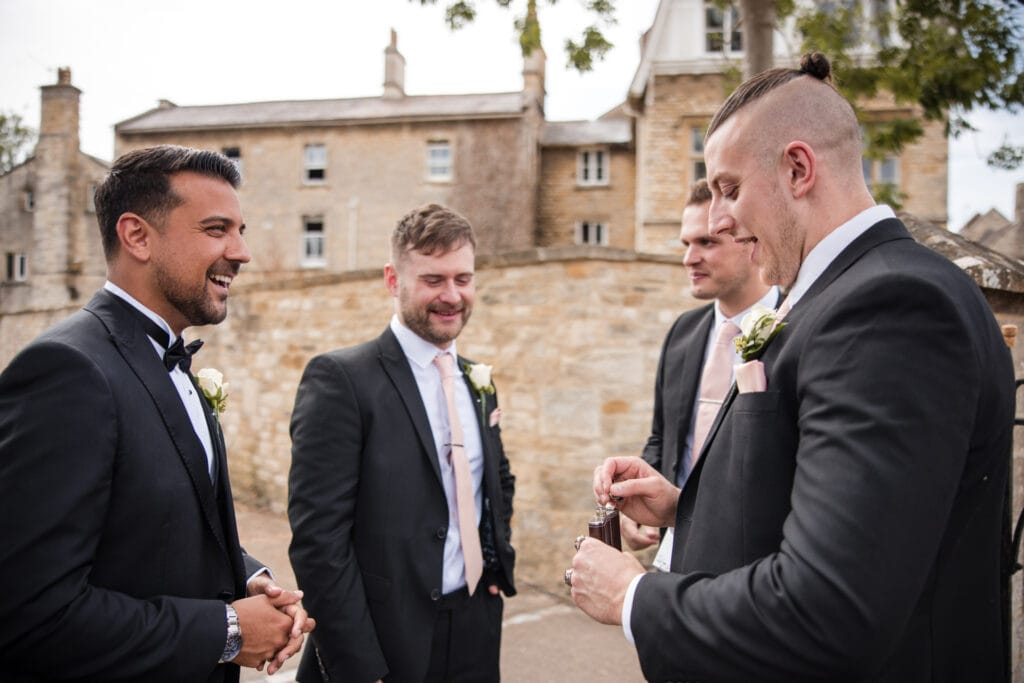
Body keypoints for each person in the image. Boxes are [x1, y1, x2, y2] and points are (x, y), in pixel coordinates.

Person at [571, 53, 1013, 681]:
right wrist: (683, 509)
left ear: (799, 169)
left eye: (729, 188)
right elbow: (821, 501)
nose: (718, 219)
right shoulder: (837, 294)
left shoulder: (890, 308)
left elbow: (830, 608)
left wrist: (631, 597)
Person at [0, 145, 313, 682]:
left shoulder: (168, 360)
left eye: (240, 230)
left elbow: (154, 531)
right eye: (217, 230)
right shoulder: (66, 372)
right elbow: (28, 614)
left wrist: (247, 580)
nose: (242, 253)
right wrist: (228, 630)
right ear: (137, 236)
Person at [288, 203, 516, 683]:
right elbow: (317, 542)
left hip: (476, 626)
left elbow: (496, 479)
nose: (452, 295)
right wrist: (359, 666)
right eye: (433, 280)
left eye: (463, 278)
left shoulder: (479, 381)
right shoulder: (341, 380)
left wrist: (495, 565)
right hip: (383, 640)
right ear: (393, 280)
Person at [620, 178, 778, 556]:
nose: (689, 258)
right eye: (686, 244)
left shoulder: (794, 329)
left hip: (758, 558)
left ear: (752, 242)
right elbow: (663, 437)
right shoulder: (683, 332)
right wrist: (636, 497)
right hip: (676, 550)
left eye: (707, 242)